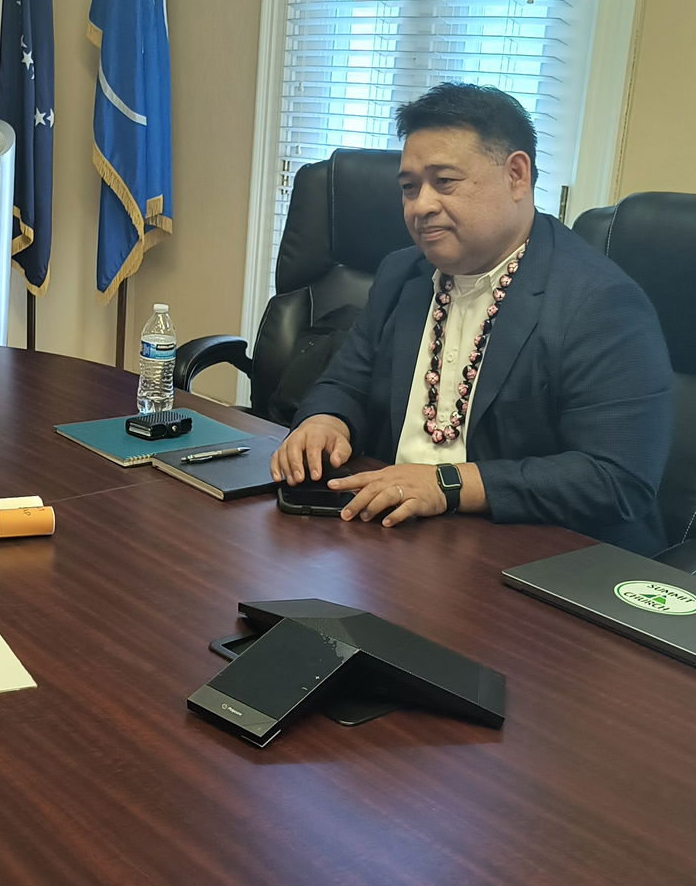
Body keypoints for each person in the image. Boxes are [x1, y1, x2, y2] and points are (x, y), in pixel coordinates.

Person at [270, 83, 673, 555]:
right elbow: (348, 381)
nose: (421, 206)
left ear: (516, 176)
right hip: (394, 539)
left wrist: (449, 484)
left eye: (445, 182)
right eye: (408, 188)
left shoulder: (599, 302)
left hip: (531, 556)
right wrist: (325, 421)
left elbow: (616, 479)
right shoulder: (404, 273)